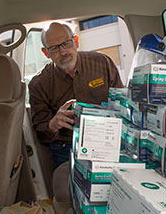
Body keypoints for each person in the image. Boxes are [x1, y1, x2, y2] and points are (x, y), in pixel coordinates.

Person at [29, 22, 124, 169]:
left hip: (108, 140)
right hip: (66, 147)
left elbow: (122, 104)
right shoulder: (38, 84)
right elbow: (41, 134)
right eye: (54, 48)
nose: (62, 52)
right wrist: (52, 124)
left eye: (66, 43)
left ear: (76, 42)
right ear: (46, 53)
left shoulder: (102, 62)